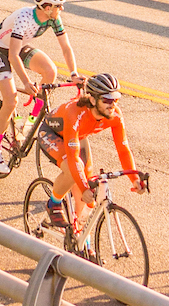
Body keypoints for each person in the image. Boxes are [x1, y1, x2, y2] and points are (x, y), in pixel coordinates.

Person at [40, 70, 146, 251]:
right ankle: (54, 203)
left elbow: (123, 149)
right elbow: (73, 159)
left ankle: (81, 234)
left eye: (115, 99)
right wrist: (82, 188)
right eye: (106, 100)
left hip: (78, 137)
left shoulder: (115, 116)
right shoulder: (75, 113)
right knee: (76, 173)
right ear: (92, 100)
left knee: (89, 194)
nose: (112, 105)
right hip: (52, 134)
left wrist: (134, 178)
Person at [0, 0, 77, 154]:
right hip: (0, 50)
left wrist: (74, 74)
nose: (62, 8)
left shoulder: (53, 18)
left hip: (20, 46)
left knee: (50, 71)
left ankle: (30, 121)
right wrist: (27, 82)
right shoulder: (24, 17)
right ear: (47, 7)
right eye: (59, 6)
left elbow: (66, 48)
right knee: (11, 100)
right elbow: (12, 56)